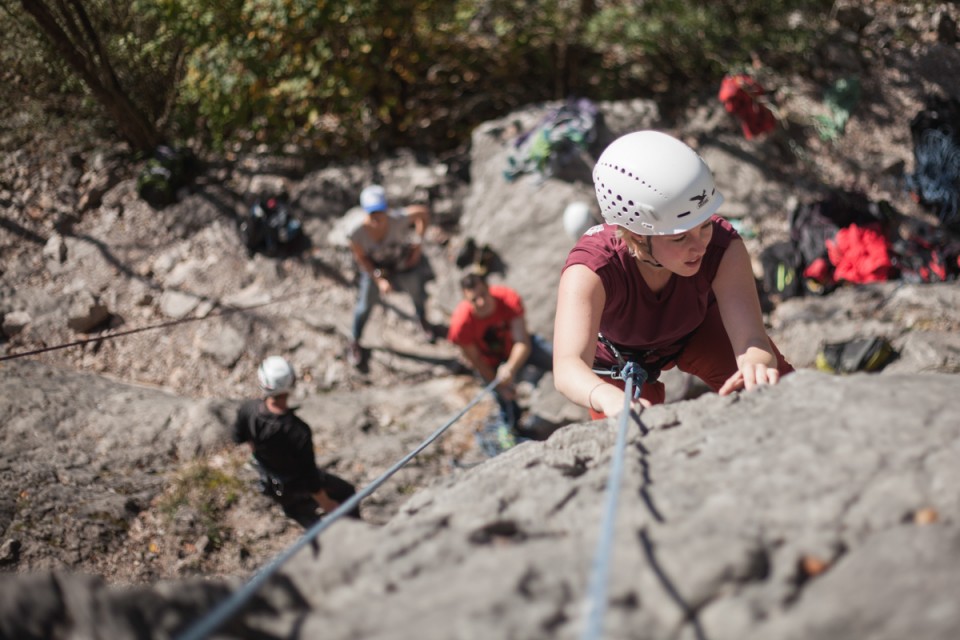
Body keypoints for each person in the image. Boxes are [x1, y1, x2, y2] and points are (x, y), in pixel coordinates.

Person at [553, 130, 794, 418]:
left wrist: (757, 360)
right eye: (680, 238)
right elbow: (567, 366)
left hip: (696, 328)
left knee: (774, 384)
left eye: (705, 225)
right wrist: (606, 397)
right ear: (637, 236)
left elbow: (751, 339)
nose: (699, 246)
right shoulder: (593, 269)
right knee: (631, 437)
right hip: (620, 357)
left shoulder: (722, 246)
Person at [232, 356, 360, 528]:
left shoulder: (248, 410)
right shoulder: (298, 431)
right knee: (347, 492)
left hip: (272, 483)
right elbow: (311, 479)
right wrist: (328, 505)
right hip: (297, 485)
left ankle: (302, 515)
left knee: (304, 517)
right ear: (291, 382)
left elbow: (239, 437)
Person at [448, 271, 553, 430]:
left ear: (489, 288)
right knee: (505, 401)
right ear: (466, 300)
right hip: (490, 362)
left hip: (516, 349)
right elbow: (477, 361)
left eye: (483, 294)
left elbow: (522, 342)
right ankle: (513, 426)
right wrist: (500, 386)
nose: (481, 302)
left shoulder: (508, 299)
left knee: (555, 357)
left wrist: (510, 367)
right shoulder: (461, 325)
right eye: (474, 299)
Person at [347, 184, 436, 368]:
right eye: (371, 213)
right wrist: (379, 280)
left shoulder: (398, 219)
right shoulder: (357, 233)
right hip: (375, 270)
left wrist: (418, 246)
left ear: (386, 209)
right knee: (364, 305)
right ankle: (354, 339)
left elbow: (423, 214)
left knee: (417, 292)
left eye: (379, 212)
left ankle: (422, 318)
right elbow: (362, 259)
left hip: (401, 263)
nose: (376, 217)